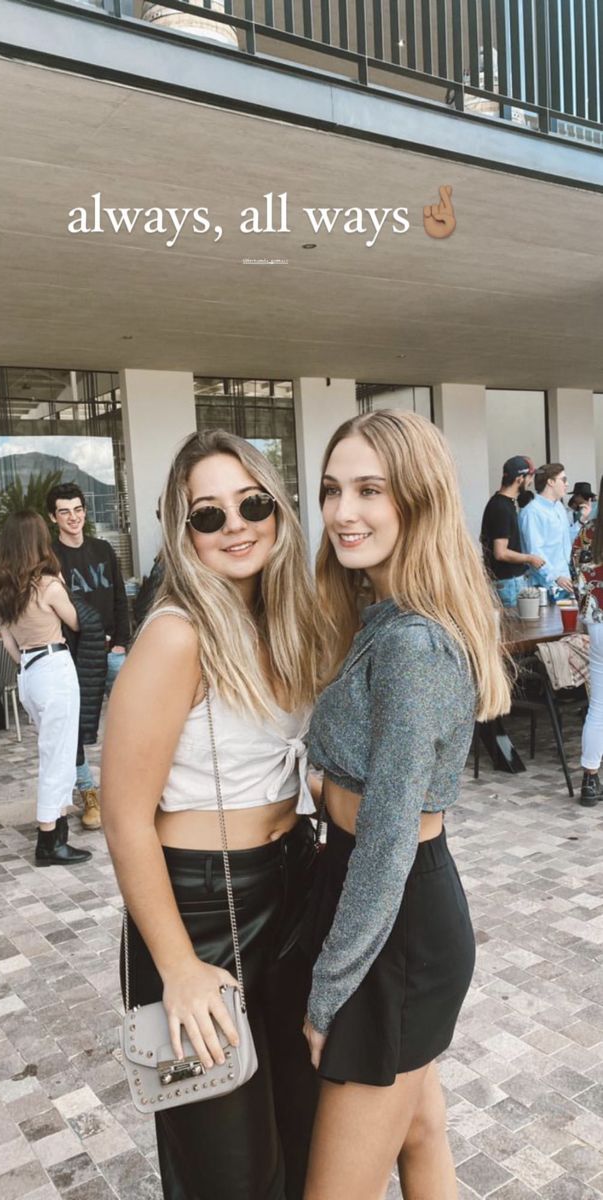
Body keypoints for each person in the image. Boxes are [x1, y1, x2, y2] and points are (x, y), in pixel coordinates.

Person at [101, 430, 321, 1200]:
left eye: (251, 502)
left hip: (287, 887)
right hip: (198, 908)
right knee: (226, 1172)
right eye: (208, 513)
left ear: (277, 510)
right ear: (181, 532)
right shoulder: (174, 636)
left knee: (300, 1140)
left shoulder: (284, 621)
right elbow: (123, 818)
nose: (236, 524)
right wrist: (177, 968)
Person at [300, 410, 511, 1200]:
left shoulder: (412, 645)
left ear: (416, 500)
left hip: (395, 929)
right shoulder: (380, 616)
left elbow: (387, 837)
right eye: (330, 490)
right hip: (377, 901)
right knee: (420, 1136)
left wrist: (329, 992)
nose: (341, 511)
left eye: (368, 490)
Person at [0, 511, 91, 868]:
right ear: (37, 541)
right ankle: (48, 840)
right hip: (54, 667)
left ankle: (59, 828)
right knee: (57, 756)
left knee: (54, 751)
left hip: (28, 674)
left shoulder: (1, 590)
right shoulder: (48, 585)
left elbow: (9, 647)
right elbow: (78, 621)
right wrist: (62, 582)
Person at [47, 482, 130, 830]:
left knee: (133, 719)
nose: (73, 517)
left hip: (112, 653)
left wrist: (121, 641)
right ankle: (88, 793)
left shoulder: (103, 549)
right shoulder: (50, 558)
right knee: (76, 729)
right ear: (53, 517)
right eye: (65, 511)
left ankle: (133, 791)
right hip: (76, 657)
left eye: (78, 509)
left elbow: (119, 597)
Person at [571, 489, 603, 807]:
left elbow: (577, 574)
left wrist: (586, 609)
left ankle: (591, 780)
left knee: (599, 707)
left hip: (597, 621)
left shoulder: (587, 532)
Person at [480, 455, 545, 607]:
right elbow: (500, 552)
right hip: (509, 583)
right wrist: (530, 558)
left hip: (508, 581)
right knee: (516, 629)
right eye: (529, 477)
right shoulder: (501, 508)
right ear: (519, 479)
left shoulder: (502, 503)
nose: (530, 482)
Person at [519, 463, 577, 599]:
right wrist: (556, 577)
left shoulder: (559, 507)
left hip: (567, 582)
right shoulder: (532, 512)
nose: (567, 484)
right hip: (547, 586)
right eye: (563, 480)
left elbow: (567, 540)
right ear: (550, 482)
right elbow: (535, 552)